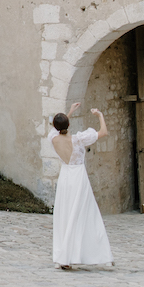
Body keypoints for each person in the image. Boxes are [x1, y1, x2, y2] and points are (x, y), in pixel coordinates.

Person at [48, 103, 113, 270]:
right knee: (86, 213)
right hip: (78, 177)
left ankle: (65, 255)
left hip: (65, 177)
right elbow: (103, 132)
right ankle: (93, 254)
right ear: (69, 124)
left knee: (66, 214)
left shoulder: (53, 138)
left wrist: (69, 112)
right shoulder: (78, 139)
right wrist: (100, 115)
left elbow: (57, 128)